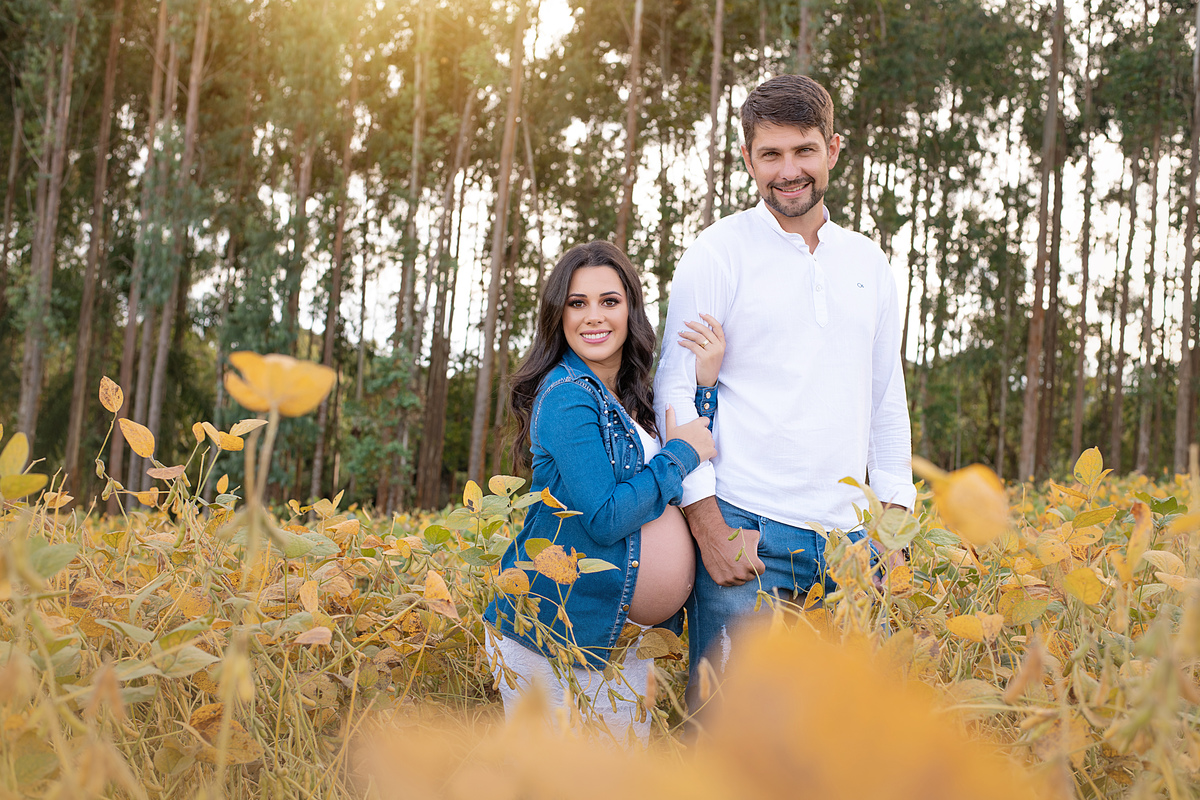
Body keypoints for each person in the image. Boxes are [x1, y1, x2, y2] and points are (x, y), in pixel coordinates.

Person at [652, 74, 916, 688]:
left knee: (837, 750)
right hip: (748, 532)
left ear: (833, 149)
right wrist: (708, 527)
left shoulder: (869, 264)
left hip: (853, 545)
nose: (788, 170)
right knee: (725, 740)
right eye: (770, 154)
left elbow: (885, 399)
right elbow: (673, 392)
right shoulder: (717, 253)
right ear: (748, 159)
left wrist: (894, 524)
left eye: (803, 150)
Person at [485, 240, 725, 742]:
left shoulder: (628, 396)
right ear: (559, 314)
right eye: (578, 303)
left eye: (609, 301)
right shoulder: (568, 396)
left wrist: (705, 383)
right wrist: (680, 455)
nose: (593, 316)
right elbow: (607, 516)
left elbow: (694, 446)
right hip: (559, 631)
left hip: (619, 640)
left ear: (631, 310)